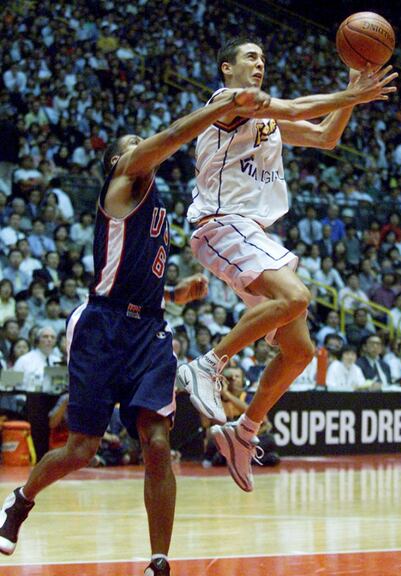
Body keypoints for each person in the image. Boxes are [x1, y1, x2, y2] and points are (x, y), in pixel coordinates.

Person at [0, 86, 271, 576]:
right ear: (117, 162)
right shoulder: (124, 179)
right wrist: (226, 106)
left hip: (148, 329)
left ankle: (159, 561)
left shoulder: (155, 202)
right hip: (100, 327)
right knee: (80, 449)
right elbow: (170, 136)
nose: (142, 145)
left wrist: (175, 295)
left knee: (158, 443)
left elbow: (131, 271)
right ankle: (20, 501)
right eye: (132, 143)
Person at [176, 36, 397, 492]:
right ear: (226, 68)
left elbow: (325, 136)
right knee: (297, 295)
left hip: (250, 233)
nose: (259, 63)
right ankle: (207, 364)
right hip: (221, 222)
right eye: (250, 57)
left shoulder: (267, 121)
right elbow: (296, 108)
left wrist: (351, 90)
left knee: (298, 350)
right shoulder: (228, 102)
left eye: (263, 58)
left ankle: (244, 432)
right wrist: (351, 93)